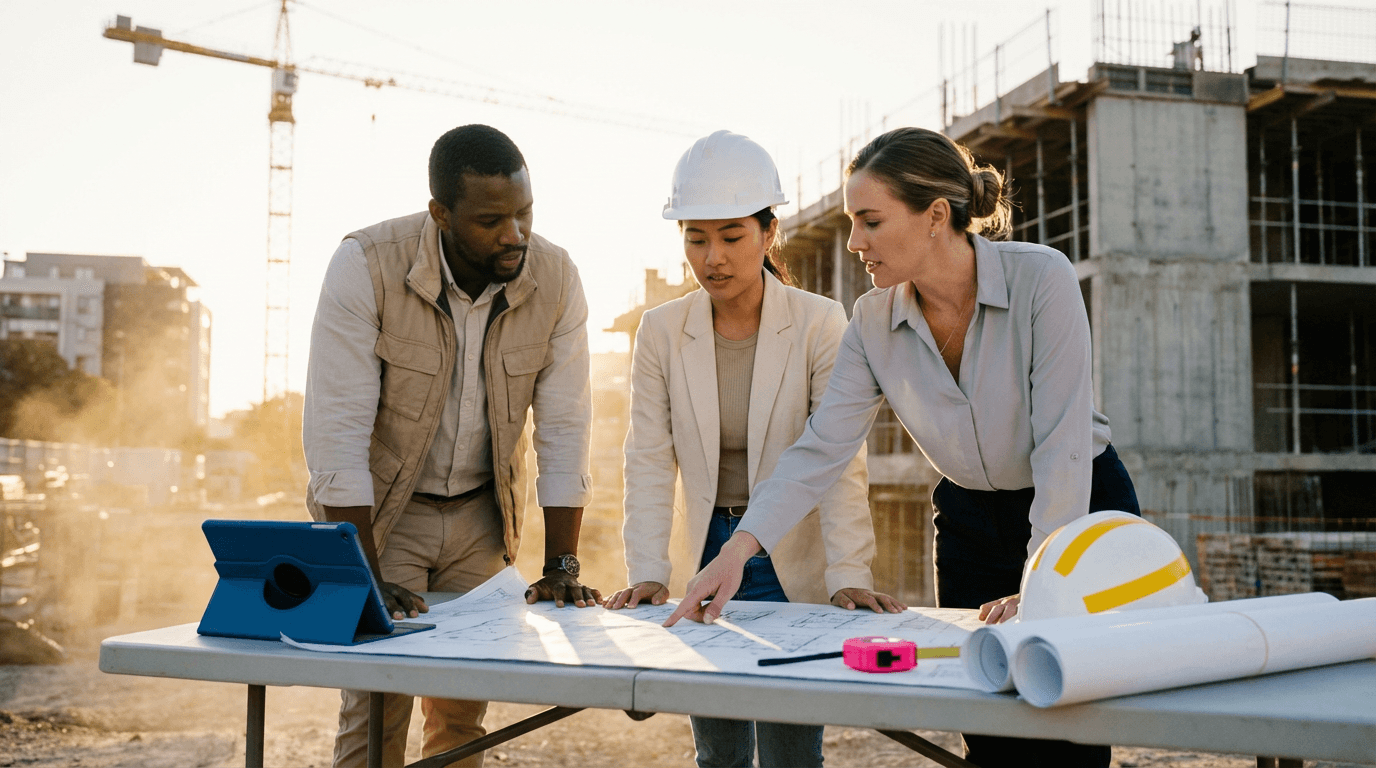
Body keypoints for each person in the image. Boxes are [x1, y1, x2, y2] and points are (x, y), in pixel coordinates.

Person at [665, 126, 1140, 768]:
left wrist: (1044, 584)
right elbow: (819, 450)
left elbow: (1061, 449)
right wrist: (738, 550)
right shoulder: (871, 320)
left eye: (870, 221)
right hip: (969, 519)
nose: (856, 242)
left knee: (1068, 725)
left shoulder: (1042, 281)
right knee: (988, 719)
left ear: (935, 217)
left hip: (1075, 510)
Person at [303, 124, 601, 768]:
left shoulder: (557, 276)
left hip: (481, 518)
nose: (514, 235)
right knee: (377, 702)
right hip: (384, 518)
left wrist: (562, 566)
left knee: (462, 710)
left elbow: (565, 428)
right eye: (492, 220)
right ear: (440, 213)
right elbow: (337, 434)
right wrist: (365, 575)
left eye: (524, 213)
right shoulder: (364, 263)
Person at [606, 130, 902, 768]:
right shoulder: (660, 331)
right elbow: (650, 457)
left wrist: (849, 575)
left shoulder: (822, 322)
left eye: (731, 236)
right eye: (695, 237)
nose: (712, 257)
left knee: (794, 752)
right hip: (704, 553)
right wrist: (648, 570)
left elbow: (840, 459)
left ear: (769, 234)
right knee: (718, 754)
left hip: (792, 554)